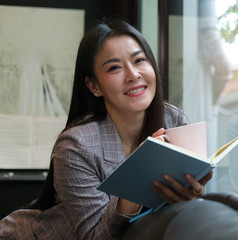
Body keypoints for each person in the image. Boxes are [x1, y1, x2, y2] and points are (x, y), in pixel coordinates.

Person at [0, 18, 213, 239]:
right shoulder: (75, 146)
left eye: (139, 60)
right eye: (114, 68)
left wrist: (192, 194)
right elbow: (94, 236)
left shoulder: (173, 119)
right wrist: (139, 173)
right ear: (94, 86)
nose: (133, 75)